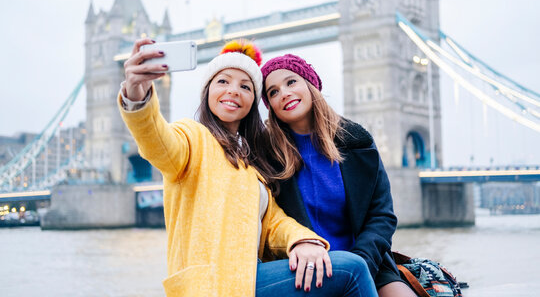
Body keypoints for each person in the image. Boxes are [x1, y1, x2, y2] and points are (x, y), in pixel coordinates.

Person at [118, 39, 378, 297]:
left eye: (245, 86)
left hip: (248, 277)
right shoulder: (192, 137)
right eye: (223, 81)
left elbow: (274, 223)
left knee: (333, 266)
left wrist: (302, 240)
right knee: (352, 269)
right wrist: (137, 95)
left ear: (252, 101)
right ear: (207, 90)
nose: (233, 90)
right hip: (211, 284)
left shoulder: (251, 163)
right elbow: (156, 141)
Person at [261, 54, 417, 297]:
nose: (284, 93)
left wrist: (361, 261)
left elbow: (382, 215)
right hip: (305, 269)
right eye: (273, 92)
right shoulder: (268, 157)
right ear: (271, 106)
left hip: (368, 261)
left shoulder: (357, 141)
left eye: (291, 82)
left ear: (310, 85)